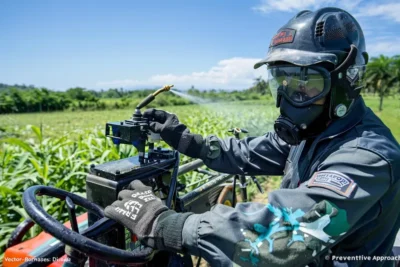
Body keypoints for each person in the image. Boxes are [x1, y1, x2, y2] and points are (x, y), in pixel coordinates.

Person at [104, 7, 400, 267]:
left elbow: (285, 235)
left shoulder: (367, 157)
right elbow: (245, 153)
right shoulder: (313, 129)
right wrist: (184, 139)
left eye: (305, 83)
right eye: (281, 81)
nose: (286, 98)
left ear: (346, 81)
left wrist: (167, 224)